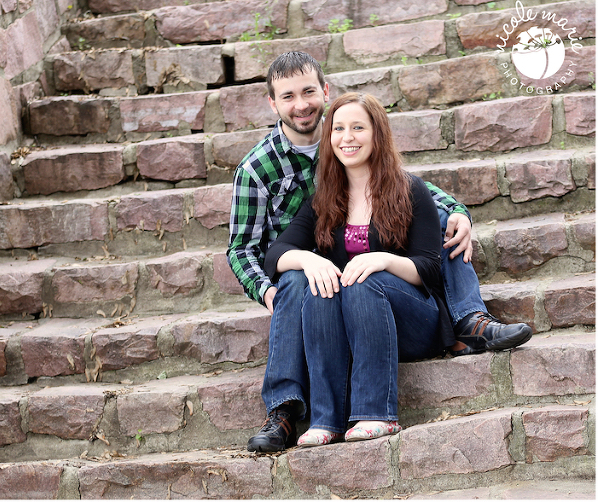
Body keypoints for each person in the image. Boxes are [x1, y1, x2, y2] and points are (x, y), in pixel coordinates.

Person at [227, 52, 532, 452]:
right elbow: (249, 250)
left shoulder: (394, 178)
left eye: (308, 92)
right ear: (273, 103)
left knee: (435, 229)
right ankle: (303, 415)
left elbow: (418, 207)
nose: (301, 104)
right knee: (306, 281)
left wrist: (457, 212)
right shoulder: (276, 175)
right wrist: (278, 286)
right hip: (322, 285)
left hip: (392, 294)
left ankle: (467, 320)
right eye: (288, 96)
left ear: (325, 92)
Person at [264, 92, 450, 445]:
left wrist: (384, 260)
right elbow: (276, 255)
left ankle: (377, 413)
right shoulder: (324, 199)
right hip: (352, 325)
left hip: (412, 321)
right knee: (321, 285)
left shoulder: (410, 189)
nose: (347, 137)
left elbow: (429, 269)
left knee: (363, 281)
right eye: (338, 129)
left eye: (358, 128)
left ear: (377, 133)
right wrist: (309, 259)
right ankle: (327, 421)